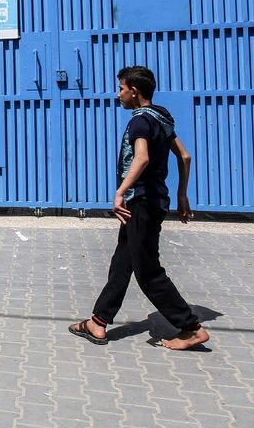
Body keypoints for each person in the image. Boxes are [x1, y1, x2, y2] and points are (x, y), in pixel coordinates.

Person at [69, 66, 210, 350]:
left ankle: (190, 327)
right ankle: (98, 321)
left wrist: (120, 192)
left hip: (141, 202)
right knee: (123, 261)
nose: (118, 94)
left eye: (121, 89)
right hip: (153, 201)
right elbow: (185, 155)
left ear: (134, 91)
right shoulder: (161, 118)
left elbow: (142, 158)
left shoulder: (140, 121)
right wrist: (182, 196)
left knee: (147, 271)